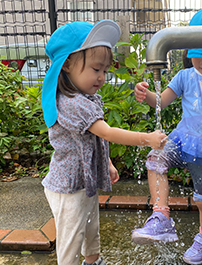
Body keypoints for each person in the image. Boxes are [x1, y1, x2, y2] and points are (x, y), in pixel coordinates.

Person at [41, 20, 167, 265]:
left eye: (104, 71)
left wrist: (106, 163)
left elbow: (94, 139)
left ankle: (93, 260)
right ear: (67, 64)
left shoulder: (85, 97)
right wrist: (147, 139)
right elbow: (107, 132)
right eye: (95, 69)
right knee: (71, 237)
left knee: (90, 226)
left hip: (84, 180)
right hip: (68, 188)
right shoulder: (71, 103)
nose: (101, 77)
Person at [131, 6, 202, 265]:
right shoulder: (185, 76)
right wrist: (147, 96)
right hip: (182, 139)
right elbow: (162, 102)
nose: (201, 62)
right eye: (196, 54)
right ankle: (161, 217)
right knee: (156, 159)